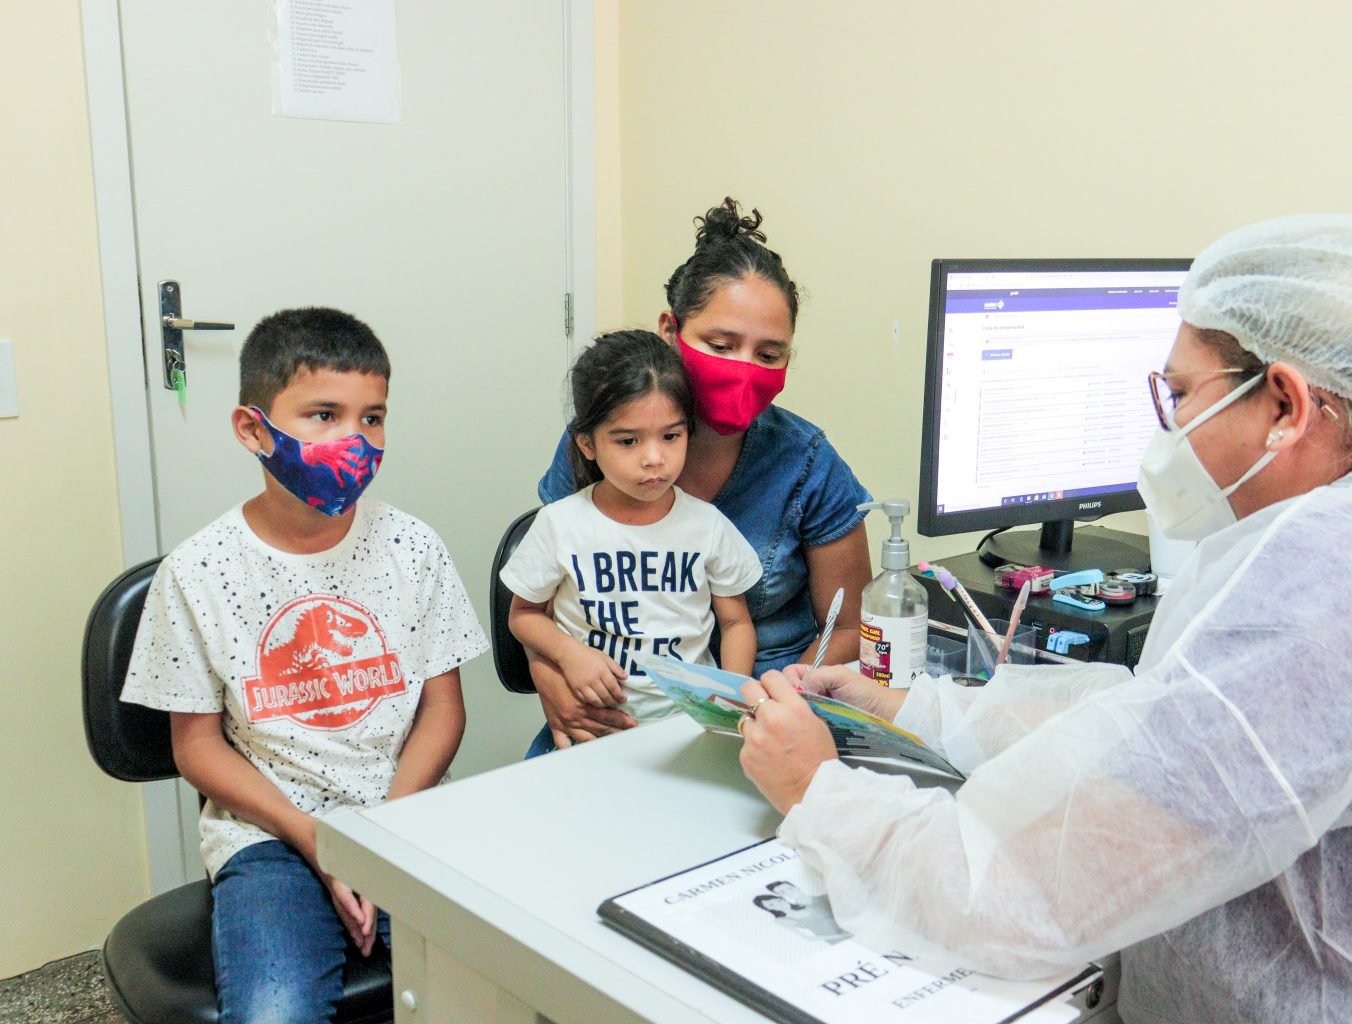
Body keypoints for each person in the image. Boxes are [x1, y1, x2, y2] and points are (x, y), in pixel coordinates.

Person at [734, 214, 1352, 1022]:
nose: (1167, 428)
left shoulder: (1339, 583)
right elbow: (1168, 728)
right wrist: (918, 708)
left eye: (1179, 394)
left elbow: (1015, 896)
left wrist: (815, 789)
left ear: (1286, 405)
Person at [120, 308, 489, 1023]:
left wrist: (380, 836)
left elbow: (444, 709)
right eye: (324, 414)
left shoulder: (414, 548)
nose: (355, 440)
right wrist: (317, 839)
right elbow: (194, 745)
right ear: (253, 429)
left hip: (408, 813)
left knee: (505, 986)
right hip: (271, 838)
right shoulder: (197, 572)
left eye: (373, 417)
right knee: (276, 1012)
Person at [531, 198, 873, 749]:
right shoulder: (603, 437)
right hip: (607, 715)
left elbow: (849, 627)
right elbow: (538, 597)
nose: (743, 369)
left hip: (761, 712)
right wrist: (552, 684)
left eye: (769, 354)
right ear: (671, 329)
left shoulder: (806, 462)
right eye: (720, 345)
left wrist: (771, 700)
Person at [504, 330, 762, 757]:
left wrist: (732, 699)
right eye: (628, 441)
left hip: (688, 733)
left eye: (670, 436)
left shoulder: (708, 526)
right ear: (587, 443)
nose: (654, 458)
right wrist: (570, 655)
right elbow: (524, 616)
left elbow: (736, 624)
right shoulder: (560, 524)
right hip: (591, 731)